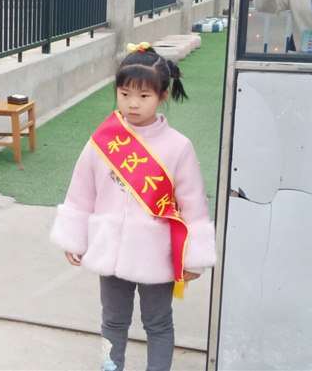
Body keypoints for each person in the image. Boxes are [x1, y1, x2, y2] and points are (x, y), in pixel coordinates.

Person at [50, 43, 216, 371]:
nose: (132, 103)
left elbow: (193, 204)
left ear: (162, 96)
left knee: (158, 324)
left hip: (157, 254)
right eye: (125, 94)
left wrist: (193, 257)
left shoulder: (178, 146)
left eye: (143, 95)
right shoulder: (103, 140)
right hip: (109, 251)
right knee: (112, 321)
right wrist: (74, 237)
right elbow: (81, 191)